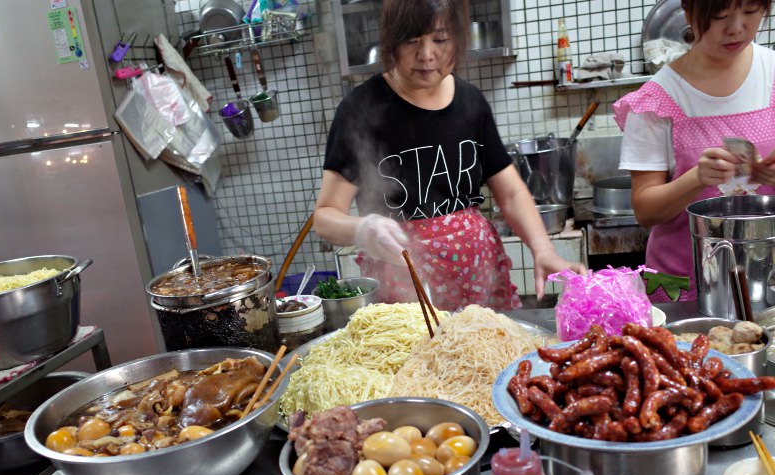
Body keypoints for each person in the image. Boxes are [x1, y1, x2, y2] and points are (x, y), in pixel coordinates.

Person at [313, 0, 584, 312]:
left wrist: (543, 249)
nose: (427, 54)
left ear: (458, 38)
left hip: (479, 280)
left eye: (440, 39)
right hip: (405, 287)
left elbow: (509, 193)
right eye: (412, 40)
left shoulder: (471, 102)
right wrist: (362, 229)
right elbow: (326, 216)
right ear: (391, 41)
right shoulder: (360, 109)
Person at [614, 0, 775, 303]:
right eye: (720, 16)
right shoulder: (657, 100)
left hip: (766, 279)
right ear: (689, 13)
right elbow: (646, 210)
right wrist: (696, 179)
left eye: (751, 12)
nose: (736, 28)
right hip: (684, 287)